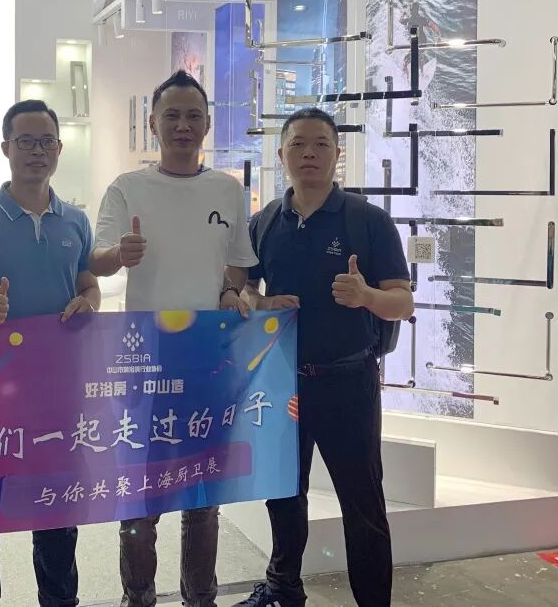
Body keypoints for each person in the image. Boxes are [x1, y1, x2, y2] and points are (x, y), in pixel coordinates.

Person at [90, 70, 258, 607]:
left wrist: (232, 291)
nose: (182, 126)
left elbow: (238, 268)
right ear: (152, 123)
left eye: (192, 116)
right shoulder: (127, 188)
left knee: (202, 495)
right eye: (172, 116)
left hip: (208, 359)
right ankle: (137, 597)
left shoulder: (227, 190)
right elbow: (96, 260)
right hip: (144, 358)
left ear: (207, 124)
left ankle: (200, 597)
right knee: (139, 497)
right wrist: (120, 254)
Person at [236, 107, 413, 607]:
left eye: (320, 144)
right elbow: (242, 289)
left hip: (348, 383)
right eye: (298, 144)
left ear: (338, 154)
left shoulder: (367, 220)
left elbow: (403, 301)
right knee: (283, 494)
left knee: (362, 502)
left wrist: (367, 296)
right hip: (283, 382)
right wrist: (261, 303)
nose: (308, 153)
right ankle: (283, 589)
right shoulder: (264, 222)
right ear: (281, 154)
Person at [0, 99, 101, 607]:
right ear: (5, 148)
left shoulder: (75, 220)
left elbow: (87, 284)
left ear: (59, 148)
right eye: (26, 141)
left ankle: (59, 600)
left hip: (57, 388)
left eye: (46, 142)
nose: (37, 151)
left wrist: (88, 301)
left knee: (57, 506)